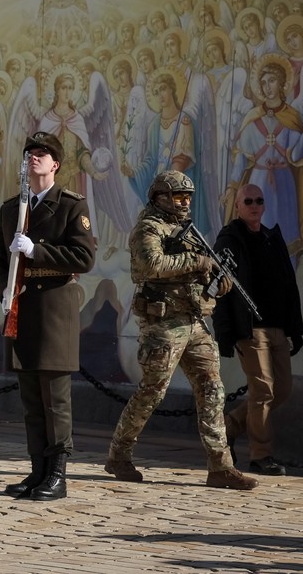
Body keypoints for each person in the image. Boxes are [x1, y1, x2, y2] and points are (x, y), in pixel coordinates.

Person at [104, 170, 258, 490]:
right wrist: (197, 262)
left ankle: (220, 465)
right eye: (178, 197)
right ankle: (119, 454)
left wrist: (215, 284)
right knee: (153, 391)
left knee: (212, 388)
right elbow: (151, 266)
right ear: (159, 197)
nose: (185, 203)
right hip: (162, 324)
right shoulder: (148, 228)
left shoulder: (186, 231)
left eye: (188, 197)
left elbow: (196, 275)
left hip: (194, 322)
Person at [0, 132, 96, 501]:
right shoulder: (11, 209)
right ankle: (38, 470)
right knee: (32, 399)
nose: (35, 158)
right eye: (30, 153)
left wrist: (38, 250)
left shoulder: (70, 207)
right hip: (21, 309)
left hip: (53, 312)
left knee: (55, 400)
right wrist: (6, 287)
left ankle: (58, 474)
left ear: (56, 164)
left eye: (42, 154)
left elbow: (84, 259)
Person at [213, 183, 302, 476]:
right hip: (250, 329)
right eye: (248, 201)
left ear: (264, 205)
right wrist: (226, 333)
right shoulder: (229, 239)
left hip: (277, 328)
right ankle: (261, 456)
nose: (254, 205)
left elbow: (289, 286)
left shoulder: (270, 238)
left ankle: (228, 427)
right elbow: (219, 289)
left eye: (258, 201)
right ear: (238, 206)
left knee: (283, 391)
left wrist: (295, 328)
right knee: (262, 391)